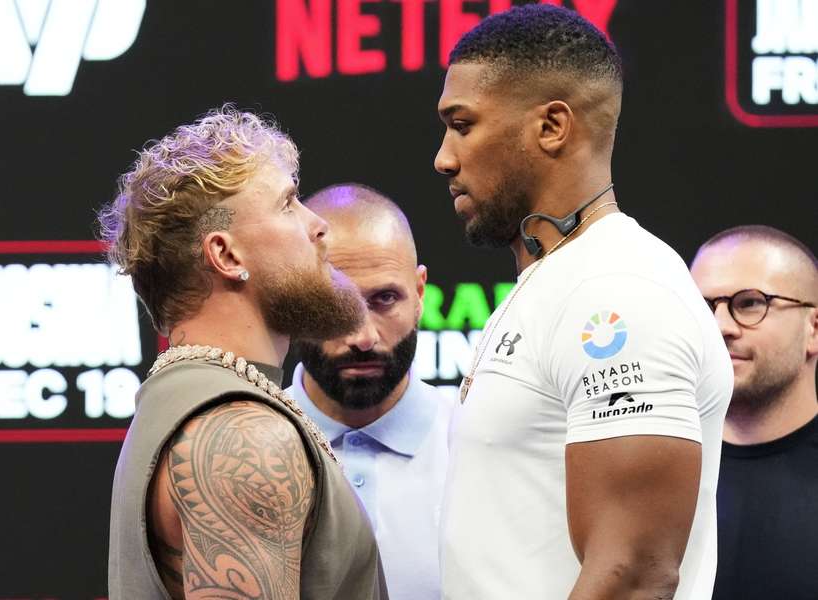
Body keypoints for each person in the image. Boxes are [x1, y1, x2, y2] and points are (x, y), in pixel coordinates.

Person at [433, 5, 732, 599]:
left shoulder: (616, 289)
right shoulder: (554, 279)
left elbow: (634, 576)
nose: (443, 156)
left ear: (552, 127)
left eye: (462, 125)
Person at [100, 106, 387, 600]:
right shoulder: (242, 435)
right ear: (226, 256)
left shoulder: (190, 402)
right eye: (288, 204)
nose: (319, 226)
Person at [288, 184, 454, 600]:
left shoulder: (479, 443)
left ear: (419, 294)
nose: (362, 336)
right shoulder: (242, 450)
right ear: (290, 301)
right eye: (333, 302)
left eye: (384, 298)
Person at [690, 225, 818, 600]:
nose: (720, 326)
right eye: (703, 307)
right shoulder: (654, 469)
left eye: (750, 303)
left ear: (814, 330)